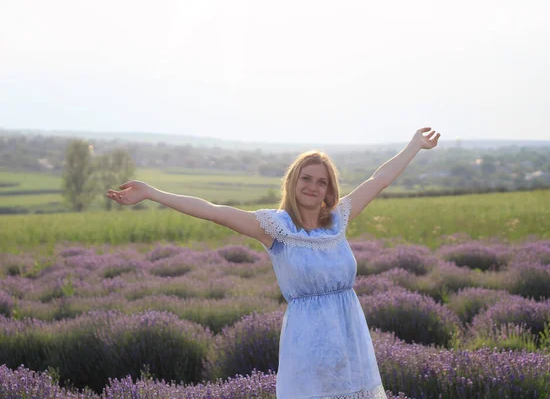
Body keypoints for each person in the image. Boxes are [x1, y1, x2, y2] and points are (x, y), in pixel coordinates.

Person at [106, 127, 440, 398]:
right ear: (293, 182)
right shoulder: (275, 227)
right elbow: (213, 211)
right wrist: (152, 193)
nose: (312, 186)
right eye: (306, 178)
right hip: (307, 344)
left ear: (329, 190)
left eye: (321, 181)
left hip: (351, 341)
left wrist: (414, 145)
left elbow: (378, 179)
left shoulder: (339, 220)